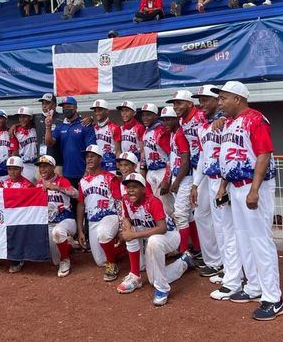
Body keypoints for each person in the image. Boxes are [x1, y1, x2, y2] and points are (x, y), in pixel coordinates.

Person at [214, 81, 283, 321]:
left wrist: (254, 190)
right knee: (244, 239)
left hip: (254, 187)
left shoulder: (256, 119)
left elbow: (263, 153)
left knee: (259, 240)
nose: (220, 102)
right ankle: (254, 286)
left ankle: (274, 298)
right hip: (235, 187)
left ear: (238, 98)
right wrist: (223, 186)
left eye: (224, 98)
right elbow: (227, 158)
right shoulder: (229, 123)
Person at [190, 84, 243, 299]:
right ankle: (227, 269)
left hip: (227, 181)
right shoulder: (202, 126)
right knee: (220, 228)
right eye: (199, 100)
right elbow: (203, 157)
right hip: (211, 181)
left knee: (229, 229)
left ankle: (235, 275)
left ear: (218, 101)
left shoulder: (226, 123)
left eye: (206, 100)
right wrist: (195, 184)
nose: (201, 104)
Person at [116, 173, 195, 306]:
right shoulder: (126, 200)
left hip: (170, 236)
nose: (130, 190)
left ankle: (162, 289)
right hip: (151, 235)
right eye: (128, 187)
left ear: (143, 189)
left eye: (135, 187)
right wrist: (128, 228)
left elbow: (162, 228)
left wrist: (133, 235)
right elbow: (126, 218)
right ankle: (183, 263)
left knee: (153, 241)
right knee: (153, 279)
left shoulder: (153, 201)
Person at [167, 90, 221, 275]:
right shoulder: (182, 121)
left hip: (214, 169)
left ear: (190, 104)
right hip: (199, 169)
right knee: (199, 215)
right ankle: (211, 258)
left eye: (179, 103)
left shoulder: (200, 116)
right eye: (174, 104)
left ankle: (219, 261)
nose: (176, 107)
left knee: (216, 217)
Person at [76, 145, 122, 281]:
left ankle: (112, 264)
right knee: (100, 261)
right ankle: (121, 250)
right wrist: (80, 230)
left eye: (92, 156)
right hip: (93, 220)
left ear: (100, 158)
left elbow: (119, 201)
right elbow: (80, 205)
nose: (89, 158)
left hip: (110, 216)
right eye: (87, 156)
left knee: (103, 233)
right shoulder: (83, 181)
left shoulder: (110, 177)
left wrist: (122, 224)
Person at [36, 155, 78, 278]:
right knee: (54, 261)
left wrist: (57, 187)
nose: (42, 169)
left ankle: (65, 260)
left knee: (58, 233)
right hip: (49, 222)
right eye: (40, 167)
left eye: (45, 166)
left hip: (66, 220)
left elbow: (76, 194)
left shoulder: (62, 180)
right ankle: (69, 245)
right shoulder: (38, 185)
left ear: (53, 167)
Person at [45, 96, 96, 187]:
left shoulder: (85, 124)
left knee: (84, 200)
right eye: (64, 107)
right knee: (70, 200)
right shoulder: (60, 126)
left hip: (83, 172)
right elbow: (49, 143)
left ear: (75, 107)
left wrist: (87, 171)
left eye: (69, 107)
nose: (66, 109)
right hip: (66, 173)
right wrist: (48, 127)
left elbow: (91, 151)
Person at [160, 106, 194, 237]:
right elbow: (172, 159)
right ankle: (195, 248)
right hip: (177, 176)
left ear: (176, 119)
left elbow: (186, 161)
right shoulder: (173, 134)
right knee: (188, 216)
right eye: (164, 120)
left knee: (180, 215)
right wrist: (168, 179)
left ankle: (184, 251)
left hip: (185, 177)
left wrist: (177, 182)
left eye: (169, 119)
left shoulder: (180, 134)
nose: (165, 123)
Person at [140, 103, 172, 208]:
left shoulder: (162, 131)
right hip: (151, 171)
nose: (145, 117)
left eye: (148, 115)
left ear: (155, 115)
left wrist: (166, 179)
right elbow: (144, 155)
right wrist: (143, 175)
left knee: (166, 208)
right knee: (154, 206)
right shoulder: (146, 131)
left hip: (162, 170)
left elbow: (171, 156)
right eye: (143, 115)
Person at [34, 93, 64, 178]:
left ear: (55, 105)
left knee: (56, 188)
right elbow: (24, 122)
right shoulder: (36, 118)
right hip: (41, 163)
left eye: (47, 103)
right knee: (41, 189)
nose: (44, 106)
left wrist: (90, 119)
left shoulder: (62, 118)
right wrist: (15, 125)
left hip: (57, 162)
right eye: (43, 103)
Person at [91, 99, 121, 174]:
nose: (97, 113)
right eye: (95, 111)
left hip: (111, 167)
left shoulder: (114, 127)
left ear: (107, 111)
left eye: (100, 110)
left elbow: (118, 151)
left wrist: (118, 170)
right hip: (98, 167)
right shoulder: (92, 127)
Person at [12, 107, 39, 183]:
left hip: (39, 163)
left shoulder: (37, 127)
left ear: (30, 117)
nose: (22, 119)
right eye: (20, 117)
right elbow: (15, 150)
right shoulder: (15, 131)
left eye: (24, 117)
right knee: (27, 187)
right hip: (26, 164)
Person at [117, 101, 144, 168]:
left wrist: (142, 166)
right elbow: (119, 149)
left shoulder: (139, 127)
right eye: (122, 111)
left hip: (136, 163)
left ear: (134, 113)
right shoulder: (121, 128)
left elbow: (142, 150)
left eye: (127, 110)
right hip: (125, 163)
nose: (124, 113)